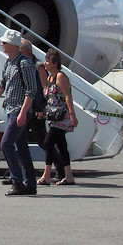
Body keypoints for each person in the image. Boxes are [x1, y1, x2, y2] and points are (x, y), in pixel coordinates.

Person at [0, 29, 38, 196]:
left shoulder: (24, 63)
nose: (2, 45)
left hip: (19, 109)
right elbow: (2, 85)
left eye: (4, 42)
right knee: (21, 148)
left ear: (13, 45)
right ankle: (29, 184)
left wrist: (23, 112)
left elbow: (31, 90)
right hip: (11, 109)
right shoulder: (9, 62)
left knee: (6, 143)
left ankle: (17, 181)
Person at [38, 48, 77, 186]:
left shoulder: (60, 77)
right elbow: (49, 98)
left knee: (48, 142)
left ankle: (46, 175)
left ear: (55, 63)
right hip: (53, 117)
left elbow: (67, 96)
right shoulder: (50, 78)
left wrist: (72, 114)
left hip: (62, 118)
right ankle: (68, 175)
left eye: (48, 61)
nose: (45, 63)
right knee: (61, 145)